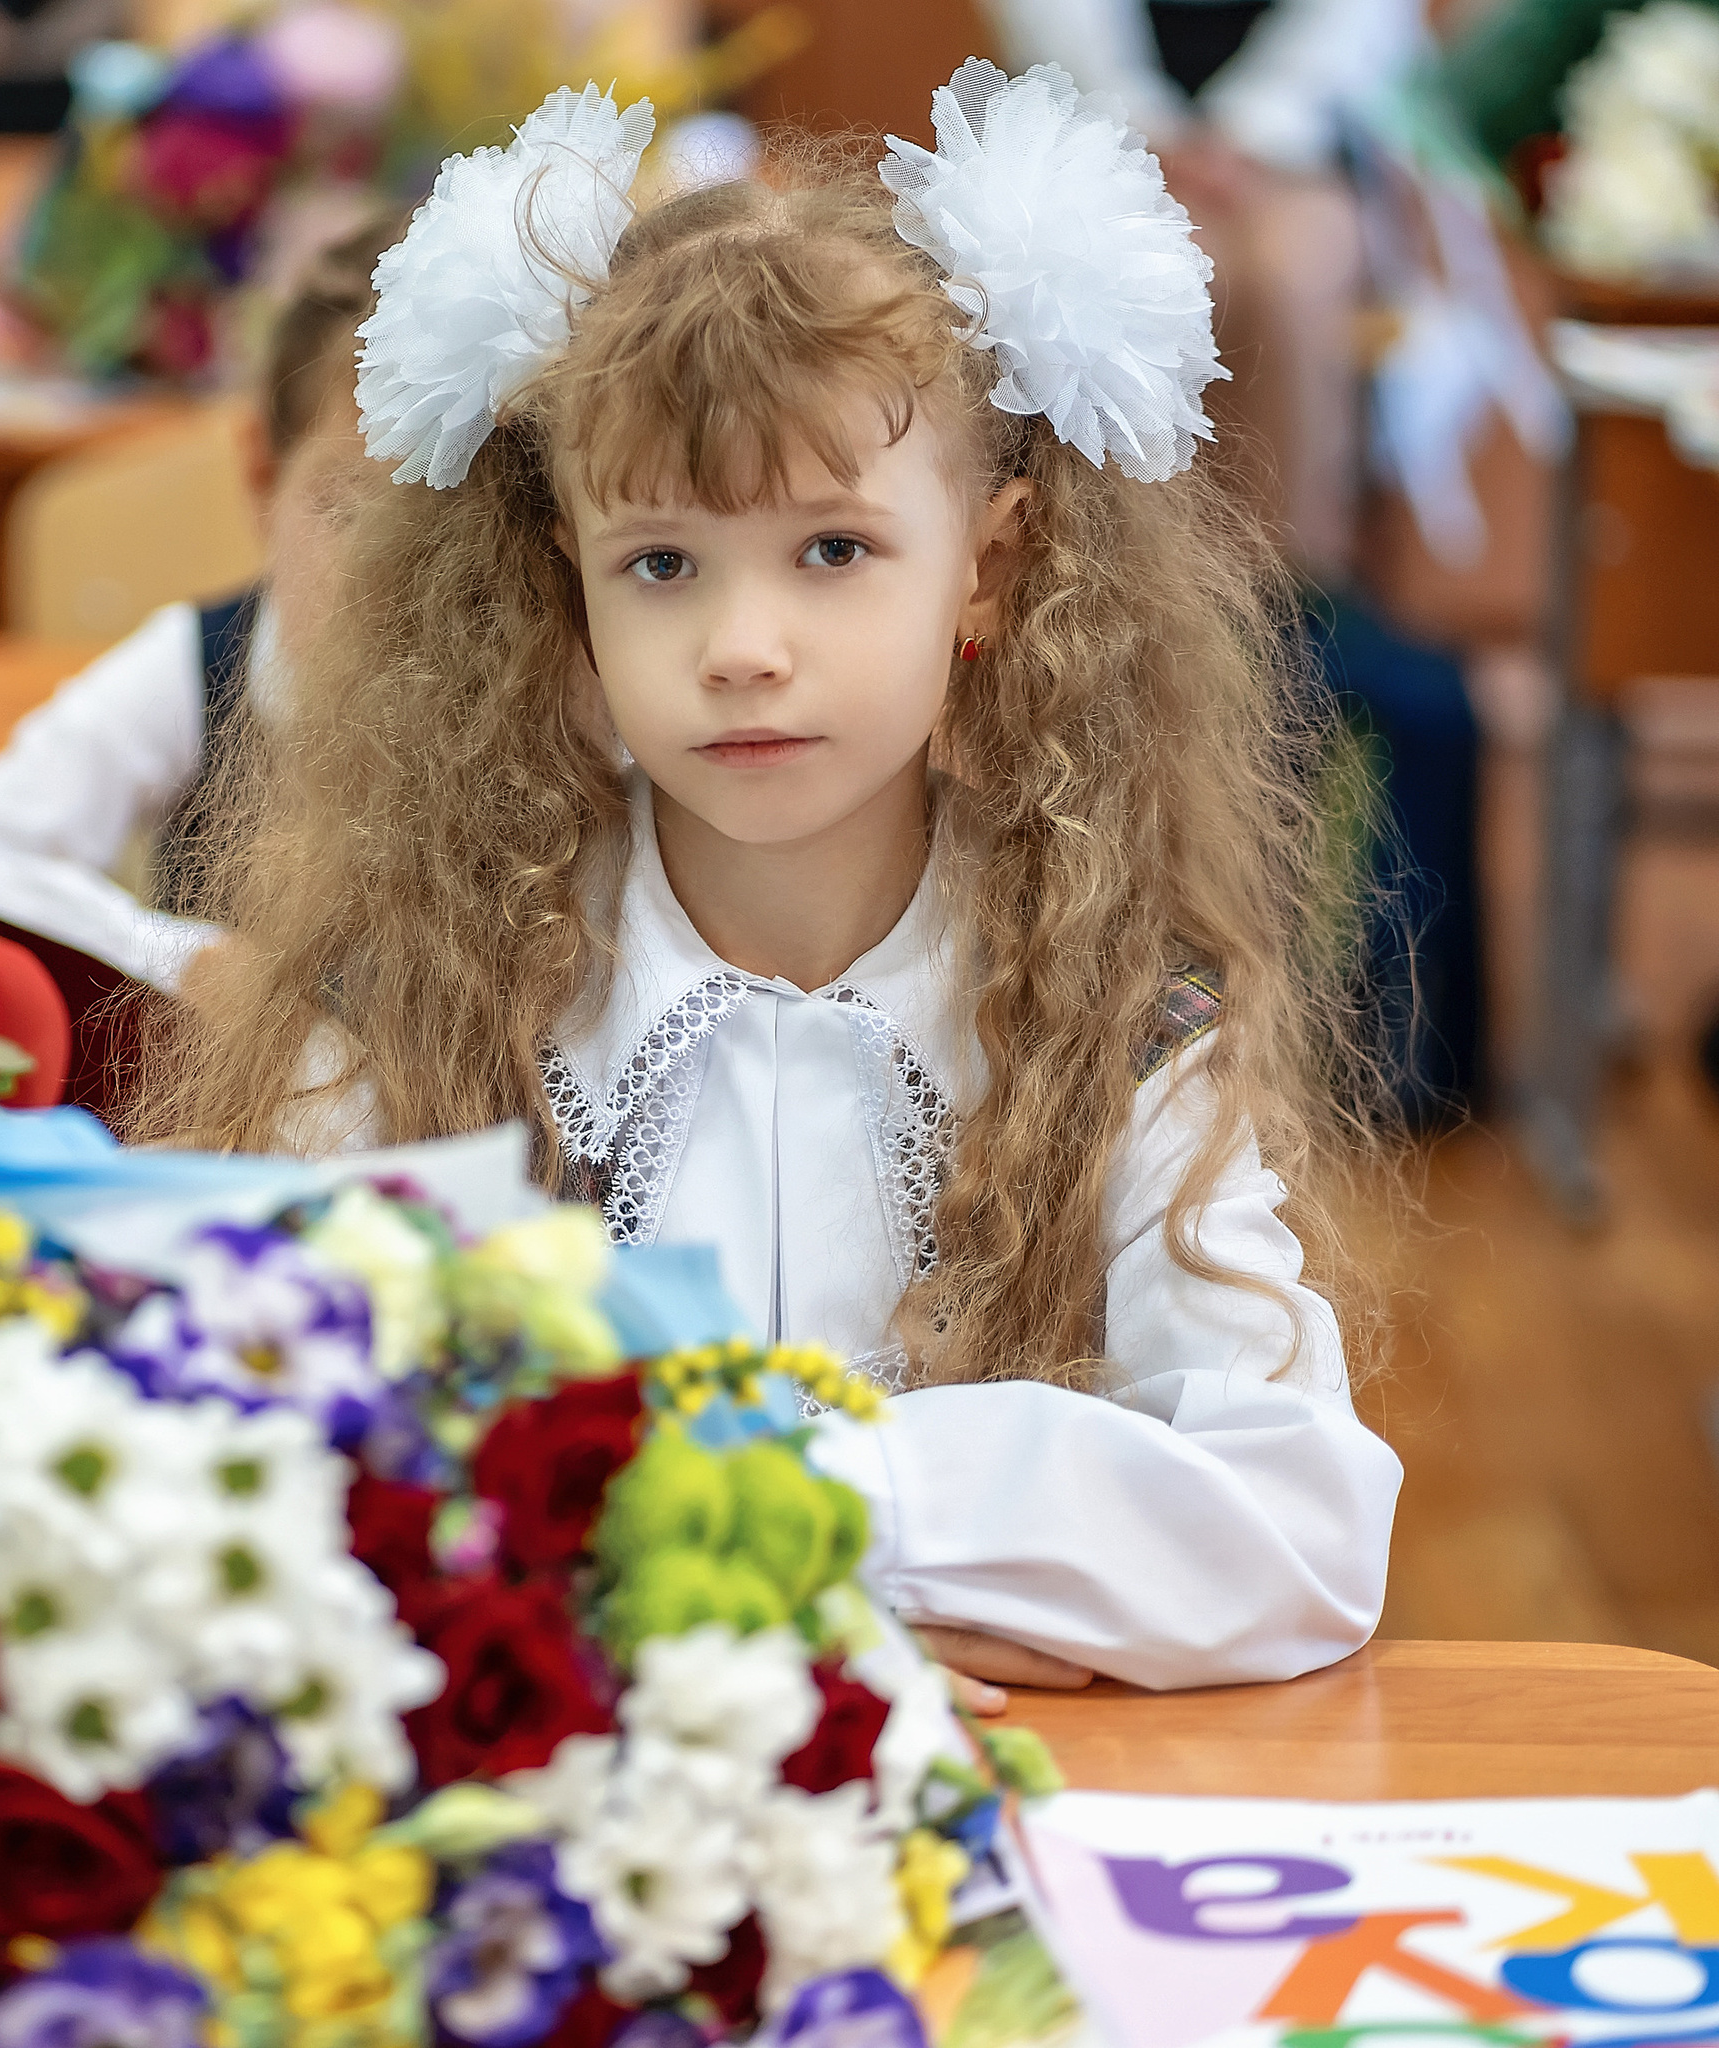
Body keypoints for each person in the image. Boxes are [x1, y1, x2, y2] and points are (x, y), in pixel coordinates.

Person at [134, 75, 1403, 1694]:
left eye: (832, 550)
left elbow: (1299, 1519)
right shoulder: (409, 993)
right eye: (662, 562)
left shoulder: (1124, 1016)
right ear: (565, 588)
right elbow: (269, 1458)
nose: (744, 646)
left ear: (992, 569)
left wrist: (761, 1507)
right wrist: (889, 1558)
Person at [0, 214, 399, 993]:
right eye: (354, 512)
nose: (403, 583)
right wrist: (184, 959)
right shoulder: (204, 664)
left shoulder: (563, 703)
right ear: (262, 475)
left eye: (459, 538)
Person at [980, 0, 1425, 586]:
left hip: (1294, 146)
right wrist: (1147, 130)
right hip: (1104, 130)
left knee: (1297, 271)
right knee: (1163, 266)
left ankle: (1294, 585)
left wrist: (1248, 132)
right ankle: (1141, 587)